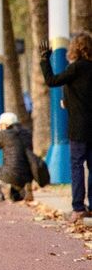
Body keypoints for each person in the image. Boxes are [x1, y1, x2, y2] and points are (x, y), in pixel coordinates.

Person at [40, 32, 92, 223]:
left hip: (78, 127)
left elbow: (52, 81)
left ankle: (78, 208)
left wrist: (45, 60)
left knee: (77, 166)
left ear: (75, 48)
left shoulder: (75, 68)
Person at [0, 112, 33, 203]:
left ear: (5, 125)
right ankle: (21, 190)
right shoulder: (27, 133)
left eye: (0, 125)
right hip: (27, 174)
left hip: (11, 173)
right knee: (14, 196)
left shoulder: (5, 134)